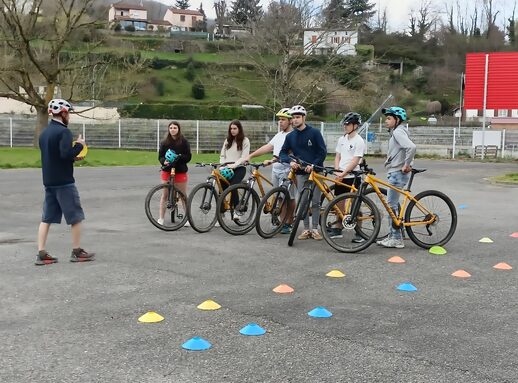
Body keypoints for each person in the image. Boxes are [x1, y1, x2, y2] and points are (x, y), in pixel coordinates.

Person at [36, 98, 95, 266]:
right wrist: (79, 145)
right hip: (64, 182)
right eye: (67, 113)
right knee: (75, 216)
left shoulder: (44, 133)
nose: (68, 116)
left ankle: (41, 252)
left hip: (49, 181)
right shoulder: (63, 132)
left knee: (46, 218)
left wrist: (73, 157)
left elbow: (56, 157)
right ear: (62, 113)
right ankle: (77, 251)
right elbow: (64, 154)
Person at [279, 104, 327, 241]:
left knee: (316, 202)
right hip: (300, 173)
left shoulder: (315, 133)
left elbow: (322, 152)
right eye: (293, 118)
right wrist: (290, 161)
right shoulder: (290, 136)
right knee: (303, 201)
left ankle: (315, 229)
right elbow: (282, 152)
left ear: (303, 118)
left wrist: (313, 165)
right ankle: (306, 229)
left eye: (298, 117)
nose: (295, 120)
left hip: (316, 172)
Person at [245, 108, 296, 234]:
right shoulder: (279, 135)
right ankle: (281, 221)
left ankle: (288, 222)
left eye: (283, 120)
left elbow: (292, 153)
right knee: (279, 197)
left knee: (289, 198)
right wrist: (251, 156)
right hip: (276, 170)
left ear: (290, 121)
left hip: (287, 170)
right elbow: (267, 147)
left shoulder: (294, 135)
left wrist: (273, 160)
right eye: (279, 120)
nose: (280, 122)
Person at [377, 106, 416, 249]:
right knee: (392, 204)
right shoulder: (398, 132)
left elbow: (411, 147)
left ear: (397, 120)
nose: (386, 121)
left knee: (391, 205)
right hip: (395, 172)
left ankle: (396, 239)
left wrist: (406, 164)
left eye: (389, 118)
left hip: (397, 173)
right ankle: (395, 234)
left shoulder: (398, 132)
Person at [329, 112, 366, 240]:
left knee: (356, 205)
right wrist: (337, 170)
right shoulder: (342, 139)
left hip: (353, 177)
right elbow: (337, 156)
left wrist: (344, 173)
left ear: (355, 126)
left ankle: (359, 233)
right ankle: (338, 228)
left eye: (348, 124)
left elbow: (355, 160)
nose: (345, 126)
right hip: (341, 175)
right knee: (339, 203)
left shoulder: (359, 141)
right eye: (344, 124)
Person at [157, 121, 192, 226]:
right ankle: (161, 218)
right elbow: (160, 156)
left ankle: (187, 218)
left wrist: (179, 157)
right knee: (165, 195)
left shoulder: (184, 142)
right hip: (167, 170)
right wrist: (164, 161)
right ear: (168, 129)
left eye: (175, 128)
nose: (172, 129)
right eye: (171, 128)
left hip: (180, 170)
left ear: (178, 129)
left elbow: (188, 157)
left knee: (183, 195)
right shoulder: (164, 142)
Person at [219, 119, 250, 187]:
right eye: (231, 129)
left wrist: (234, 165)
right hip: (226, 168)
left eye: (235, 128)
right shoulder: (227, 140)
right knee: (222, 190)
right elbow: (222, 155)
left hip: (239, 168)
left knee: (232, 187)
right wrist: (222, 165)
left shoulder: (245, 140)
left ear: (239, 129)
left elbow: (244, 157)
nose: (232, 130)